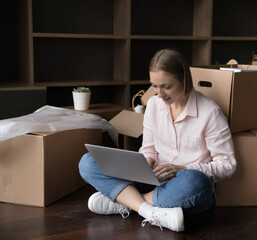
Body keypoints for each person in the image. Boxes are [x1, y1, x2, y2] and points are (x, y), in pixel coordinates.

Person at [78, 48, 237, 232]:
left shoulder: (210, 112)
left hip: (184, 185)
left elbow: (227, 165)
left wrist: (183, 169)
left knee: (196, 182)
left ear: (184, 79)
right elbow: (149, 147)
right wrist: (147, 160)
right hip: (152, 180)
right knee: (88, 161)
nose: (159, 94)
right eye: (154, 86)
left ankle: (126, 202)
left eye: (166, 86)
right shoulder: (154, 105)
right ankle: (148, 210)